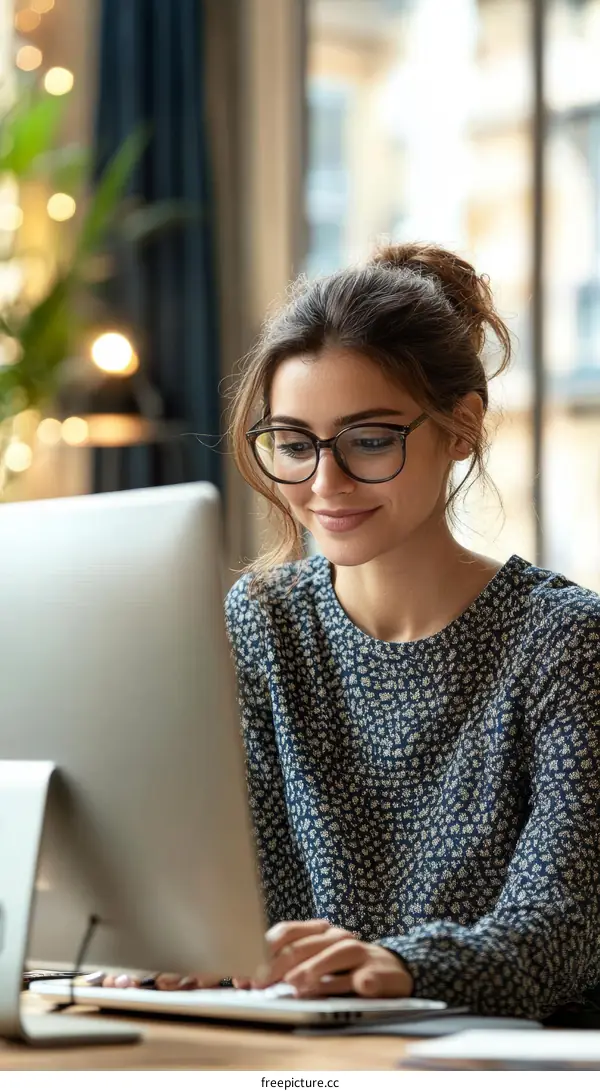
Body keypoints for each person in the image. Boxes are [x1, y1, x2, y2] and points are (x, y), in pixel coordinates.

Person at [103, 242, 600, 1020]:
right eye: (295, 445)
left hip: (506, 1060)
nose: (324, 485)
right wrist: (187, 950)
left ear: (462, 428)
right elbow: (239, 881)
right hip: (300, 1045)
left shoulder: (566, 641)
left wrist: (399, 963)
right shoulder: (265, 623)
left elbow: (561, 928)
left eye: (370, 440)